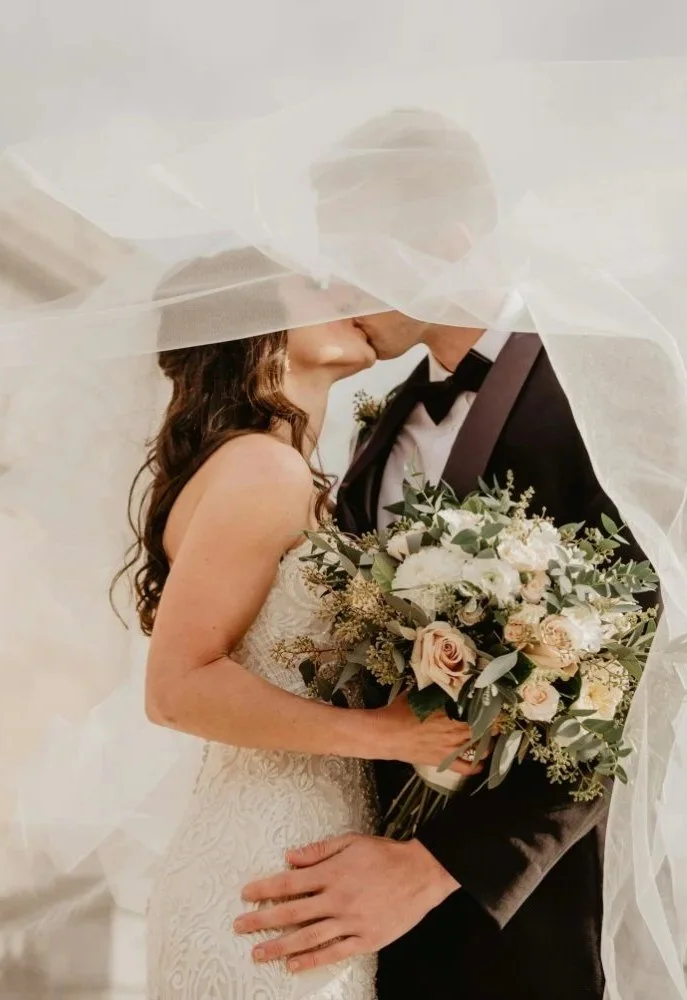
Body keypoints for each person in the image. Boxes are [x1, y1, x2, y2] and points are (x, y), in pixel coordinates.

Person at [234, 109, 643, 1000]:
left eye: (355, 256)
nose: (336, 286)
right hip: (345, 906)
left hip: (514, 919)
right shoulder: (378, 436)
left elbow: (640, 665)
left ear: (448, 242)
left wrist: (434, 868)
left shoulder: (610, 382)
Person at [136, 253, 480, 999]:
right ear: (256, 326)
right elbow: (175, 687)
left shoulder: (287, 470)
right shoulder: (262, 469)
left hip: (304, 858)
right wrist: (389, 735)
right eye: (319, 285)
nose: (354, 292)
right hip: (268, 870)